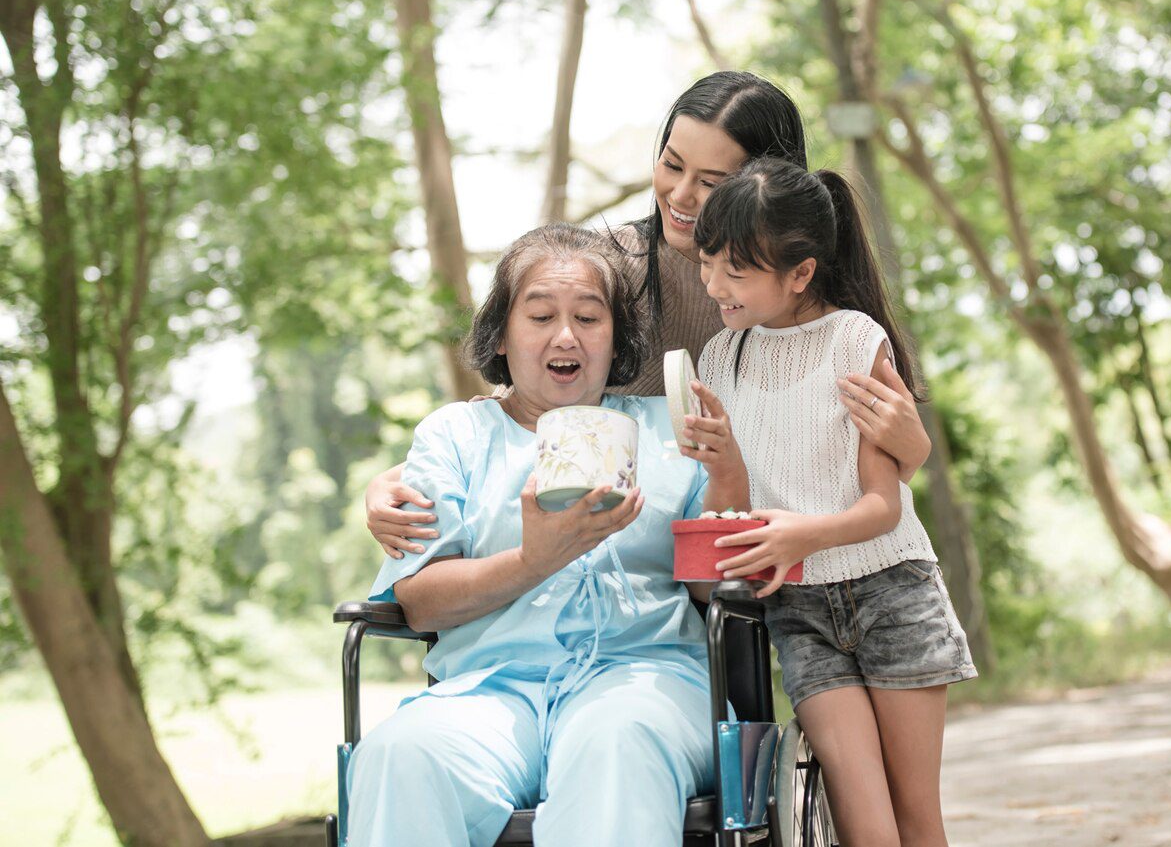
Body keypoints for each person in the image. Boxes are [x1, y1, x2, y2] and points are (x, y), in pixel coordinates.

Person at [365, 71, 932, 558]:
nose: (681, 196)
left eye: (712, 182)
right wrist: (394, 482)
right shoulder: (614, 270)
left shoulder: (808, 307)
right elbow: (537, 399)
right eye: (671, 165)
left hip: (779, 555)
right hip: (641, 543)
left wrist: (914, 448)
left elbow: (853, 466)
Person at [345, 224, 749, 847]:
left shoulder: (670, 430)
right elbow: (419, 599)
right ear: (502, 337)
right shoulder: (454, 437)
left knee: (616, 740)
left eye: (589, 317)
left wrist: (724, 475)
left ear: (616, 340)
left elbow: (709, 587)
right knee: (401, 753)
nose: (566, 336)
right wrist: (534, 560)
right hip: (491, 689)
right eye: (540, 316)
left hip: (645, 676)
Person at [691, 156, 978, 847]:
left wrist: (801, 534)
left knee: (915, 819)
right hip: (799, 612)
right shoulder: (718, 358)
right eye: (708, 263)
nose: (714, 283)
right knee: (865, 824)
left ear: (800, 273)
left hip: (892, 593)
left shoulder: (855, 341)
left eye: (736, 269)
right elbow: (724, 500)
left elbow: (884, 505)